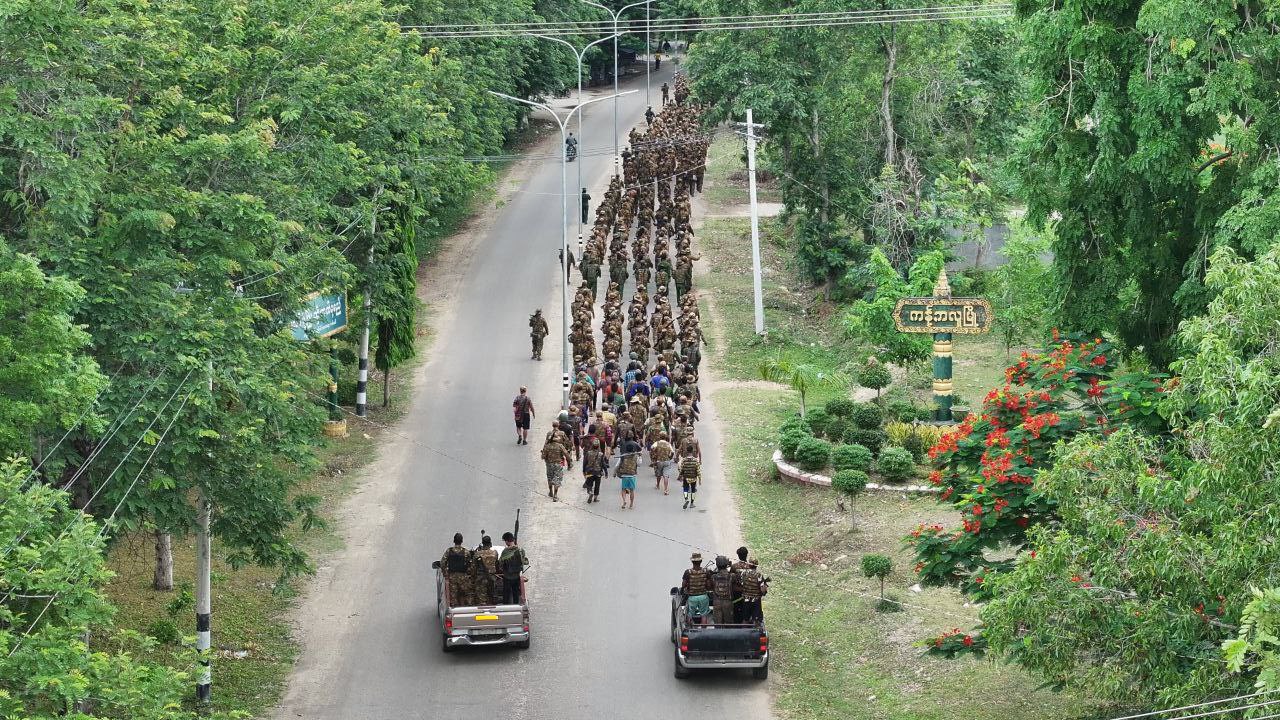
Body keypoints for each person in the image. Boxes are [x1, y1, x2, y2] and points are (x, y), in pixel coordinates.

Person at [440, 532, 473, 607]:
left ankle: (455, 609)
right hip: (463, 577)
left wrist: (445, 573)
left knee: (453, 596)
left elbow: (442, 563)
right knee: (466, 593)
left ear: (454, 541)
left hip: (452, 576)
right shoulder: (466, 552)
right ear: (462, 541)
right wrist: (469, 573)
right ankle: (467, 607)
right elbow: (471, 564)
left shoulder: (449, 551)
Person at [541, 424, 570, 501]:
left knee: (550, 477)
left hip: (549, 464)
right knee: (557, 479)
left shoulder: (547, 446)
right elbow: (567, 454)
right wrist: (569, 461)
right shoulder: (560, 446)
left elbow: (543, 457)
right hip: (558, 464)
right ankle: (555, 495)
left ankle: (550, 491)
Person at [681, 552, 712, 624]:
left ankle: (689, 630)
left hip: (692, 597)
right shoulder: (706, 571)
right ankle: (703, 631)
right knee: (704, 615)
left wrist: (685, 588)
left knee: (690, 614)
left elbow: (683, 585)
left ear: (692, 561)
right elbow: (709, 585)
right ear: (701, 561)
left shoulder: (687, 572)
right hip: (703, 596)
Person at [498, 531, 528, 605]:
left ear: (507, 541)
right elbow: (524, 561)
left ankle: (505, 607)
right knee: (515, 594)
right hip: (517, 576)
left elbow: (501, 563)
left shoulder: (506, 551)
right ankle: (516, 605)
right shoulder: (521, 550)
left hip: (507, 577)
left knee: (506, 595)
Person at [710, 555, 739, 625]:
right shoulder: (732, 576)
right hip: (728, 602)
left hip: (717, 602)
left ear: (717, 565)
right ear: (726, 564)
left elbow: (711, 586)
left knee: (718, 624)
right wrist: (731, 566)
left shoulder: (713, 577)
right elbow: (736, 582)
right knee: (729, 624)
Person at [473, 535, 500, 605]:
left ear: (482, 543)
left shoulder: (477, 554)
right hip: (492, 579)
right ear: (490, 543)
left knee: (482, 601)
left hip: (481, 579)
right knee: (493, 598)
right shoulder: (495, 553)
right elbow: (497, 564)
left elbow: (473, 567)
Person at [616, 437, 641, 509]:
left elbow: (617, 465)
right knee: (632, 490)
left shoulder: (623, 457)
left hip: (624, 475)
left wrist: (615, 473)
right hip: (632, 475)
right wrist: (640, 457)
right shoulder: (635, 456)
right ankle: (631, 504)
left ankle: (624, 501)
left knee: (623, 489)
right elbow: (639, 464)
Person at [582, 436, 607, 503]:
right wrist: (606, 472)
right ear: (598, 446)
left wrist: (584, 470)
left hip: (590, 471)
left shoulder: (588, 453)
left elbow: (585, 463)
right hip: (598, 472)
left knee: (589, 484)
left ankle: (590, 492)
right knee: (597, 485)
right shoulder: (601, 454)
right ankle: (595, 498)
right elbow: (603, 464)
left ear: (592, 445)